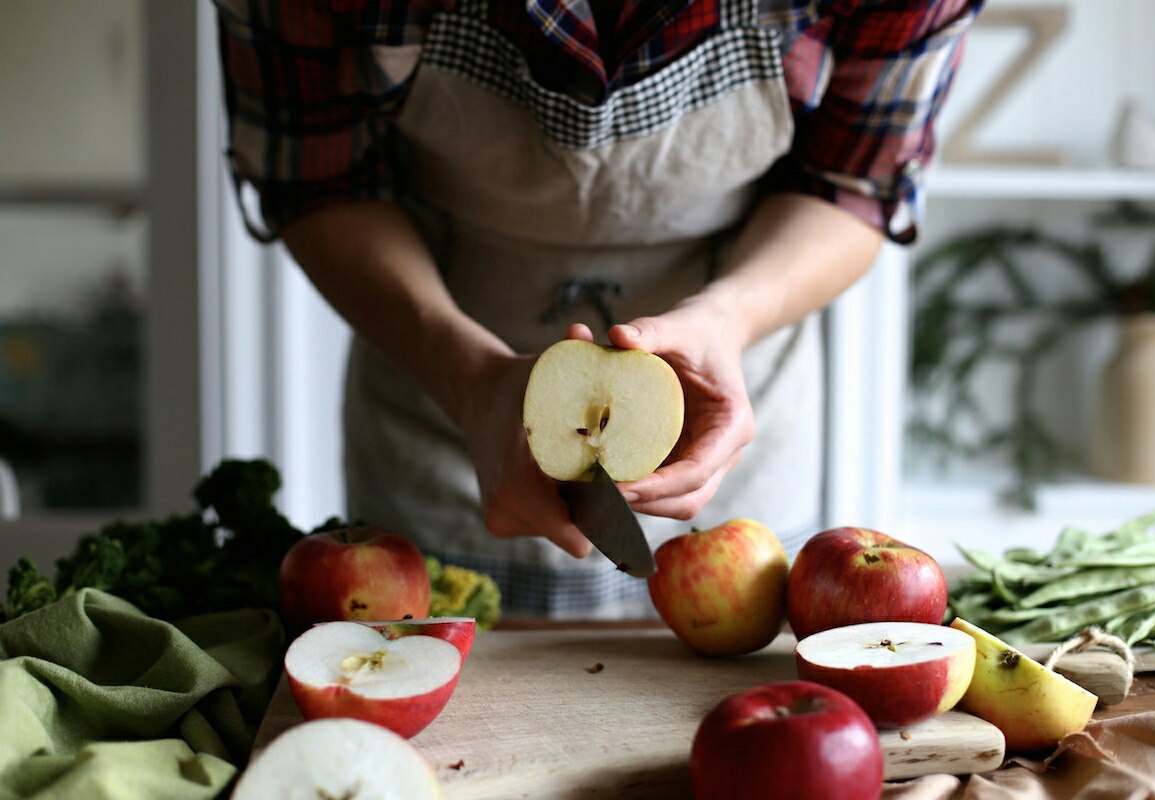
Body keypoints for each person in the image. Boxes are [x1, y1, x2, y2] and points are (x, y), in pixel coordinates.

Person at [213, 0, 982, 618]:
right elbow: (318, 178)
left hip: (731, 407)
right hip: (436, 389)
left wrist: (729, 317)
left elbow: (851, 183)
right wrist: (467, 377)